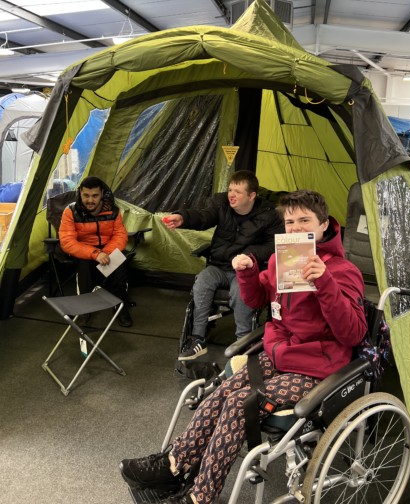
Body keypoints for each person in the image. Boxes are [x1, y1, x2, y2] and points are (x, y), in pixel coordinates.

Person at [119, 189, 368, 504]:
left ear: (323, 225)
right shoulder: (280, 260)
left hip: (317, 368)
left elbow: (353, 334)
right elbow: (256, 300)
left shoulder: (343, 272)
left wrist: (325, 283)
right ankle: (173, 465)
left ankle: (201, 496)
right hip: (278, 355)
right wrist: (248, 273)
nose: (295, 228)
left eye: (304, 221)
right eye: (290, 222)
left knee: (240, 404)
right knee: (222, 391)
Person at [162, 170, 284, 360]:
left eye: (238, 192)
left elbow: (274, 244)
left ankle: (243, 343)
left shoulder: (269, 215)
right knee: (202, 282)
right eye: (230, 190)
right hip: (218, 266)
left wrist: (250, 255)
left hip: (245, 271)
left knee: (241, 292)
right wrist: (183, 218)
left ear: (251, 196)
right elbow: (204, 216)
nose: (231, 195)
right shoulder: (220, 204)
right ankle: (198, 339)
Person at [58, 175, 133, 327]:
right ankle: (84, 309)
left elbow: (120, 235)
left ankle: (120, 307)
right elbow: (67, 241)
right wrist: (95, 254)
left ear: (102, 194)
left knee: (119, 265)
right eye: (86, 195)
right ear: (80, 193)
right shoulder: (70, 211)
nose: (90, 200)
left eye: (95, 196)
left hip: (107, 249)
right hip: (84, 250)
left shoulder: (113, 210)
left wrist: (106, 253)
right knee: (84, 266)